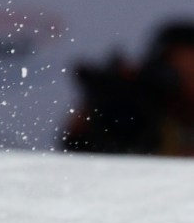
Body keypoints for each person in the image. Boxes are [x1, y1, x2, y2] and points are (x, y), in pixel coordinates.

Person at [63, 20, 194, 157]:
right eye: (179, 72)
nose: (185, 79)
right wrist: (109, 99)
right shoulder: (139, 104)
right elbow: (76, 148)